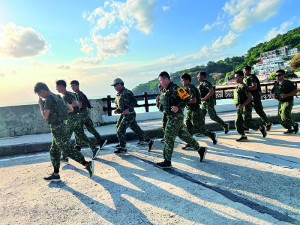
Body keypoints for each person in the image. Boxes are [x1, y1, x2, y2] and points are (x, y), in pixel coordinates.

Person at [34, 82, 94, 182]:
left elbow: (45, 116)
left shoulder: (48, 99)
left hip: (57, 128)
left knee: (67, 149)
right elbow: (70, 109)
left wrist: (41, 105)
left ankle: (87, 164)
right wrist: (58, 113)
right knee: (54, 151)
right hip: (62, 125)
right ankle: (56, 174)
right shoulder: (58, 97)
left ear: (43, 91)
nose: (40, 97)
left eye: (40, 94)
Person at [157, 71, 207, 168]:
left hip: (176, 117)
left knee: (168, 138)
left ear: (166, 79)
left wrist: (178, 107)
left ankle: (167, 161)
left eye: (161, 81)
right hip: (170, 117)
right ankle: (200, 149)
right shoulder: (165, 90)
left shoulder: (176, 88)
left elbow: (187, 98)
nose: (160, 83)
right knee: (184, 136)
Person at [56, 80, 100, 161]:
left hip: (71, 119)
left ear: (61, 87)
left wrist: (66, 109)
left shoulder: (67, 95)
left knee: (65, 137)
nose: (56, 89)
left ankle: (65, 156)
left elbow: (75, 103)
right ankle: (94, 148)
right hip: (77, 118)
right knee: (81, 135)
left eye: (57, 87)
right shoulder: (71, 94)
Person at [112, 78, 154, 153]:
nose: (114, 87)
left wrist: (128, 109)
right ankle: (149, 141)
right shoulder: (118, 94)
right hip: (123, 114)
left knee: (120, 129)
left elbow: (134, 102)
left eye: (115, 85)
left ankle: (123, 147)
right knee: (134, 129)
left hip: (129, 114)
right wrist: (117, 110)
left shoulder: (127, 92)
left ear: (120, 84)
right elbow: (120, 105)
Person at [180, 73, 217, 149]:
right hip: (189, 111)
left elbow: (193, 100)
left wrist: (184, 102)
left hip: (195, 111)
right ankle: (190, 143)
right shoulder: (186, 89)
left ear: (187, 80)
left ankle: (211, 135)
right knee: (188, 126)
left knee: (198, 127)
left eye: (183, 81)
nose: (182, 82)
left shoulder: (192, 88)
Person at [70, 80, 107, 150]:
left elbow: (79, 106)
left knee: (78, 129)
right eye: (71, 86)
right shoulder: (80, 94)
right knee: (90, 128)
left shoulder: (79, 95)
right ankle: (101, 140)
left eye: (73, 86)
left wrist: (72, 109)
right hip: (85, 113)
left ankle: (78, 145)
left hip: (81, 114)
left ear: (77, 85)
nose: (72, 87)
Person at [234, 71, 267, 142]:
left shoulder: (244, 86)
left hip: (246, 107)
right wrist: (236, 104)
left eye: (236, 77)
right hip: (240, 107)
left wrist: (242, 105)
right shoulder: (238, 86)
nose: (235, 79)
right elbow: (237, 97)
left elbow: (250, 97)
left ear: (241, 77)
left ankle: (261, 128)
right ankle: (243, 136)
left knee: (247, 123)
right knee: (237, 122)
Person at [243, 66, 273, 131]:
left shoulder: (252, 77)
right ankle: (247, 126)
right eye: (243, 71)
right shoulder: (246, 78)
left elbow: (254, 87)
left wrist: (245, 88)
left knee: (259, 110)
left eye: (245, 71)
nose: (244, 72)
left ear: (249, 71)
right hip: (249, 97)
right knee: (247, 112)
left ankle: (268, 123)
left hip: (255, 97)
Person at [271, 70, 298, 134]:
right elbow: (271, 91)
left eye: (279, 75)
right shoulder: (276, 84)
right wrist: (273, 95)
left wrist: (287, 95)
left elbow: (296, 91)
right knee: (280, 118)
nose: (277, 77)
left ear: (283, 75)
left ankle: (294, 125)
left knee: (285, 115)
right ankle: (289, 128)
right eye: (276, 75)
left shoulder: (288, 83)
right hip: (281, 102)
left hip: (288, 101)